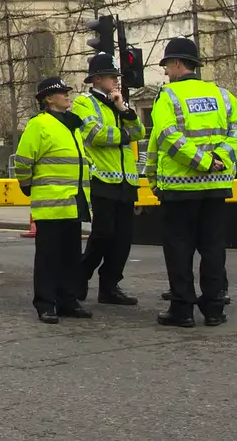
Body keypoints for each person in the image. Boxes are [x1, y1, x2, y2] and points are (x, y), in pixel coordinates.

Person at [147, 36, 237, 328]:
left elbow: (166, 138)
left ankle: (182, 309)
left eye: (167, 65)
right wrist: (218, 157)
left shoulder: (168, 97)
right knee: (213, 248)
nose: (166, 71)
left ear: (178, 64)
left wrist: (199, 163)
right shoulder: (222, 94)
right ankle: (214, 308)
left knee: (179, 251)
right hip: (216, 187)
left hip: (180, 189)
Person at [13, 76, 91, 323]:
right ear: (48, 98)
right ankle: (46, 303)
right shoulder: (40, 124)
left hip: (73, 200)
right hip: (51, 203)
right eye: (62, 92)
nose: (68, 95)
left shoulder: (71, 124)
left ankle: (68, 300)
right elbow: (23, 161)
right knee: (48, 258)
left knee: (70, 256)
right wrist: (27, 186)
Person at [74, 53, 147, 305]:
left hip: (127, 180)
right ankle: (81, 275)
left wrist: (123, 109)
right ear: (97, 78)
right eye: (112, 76)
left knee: (124, 238)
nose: (117, 80)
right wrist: (124, 135)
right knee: (103, 233)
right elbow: (95, 133)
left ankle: (110, 285)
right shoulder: (83, 103)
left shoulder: (119, 102)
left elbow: (139, 131)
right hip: (102, 178)